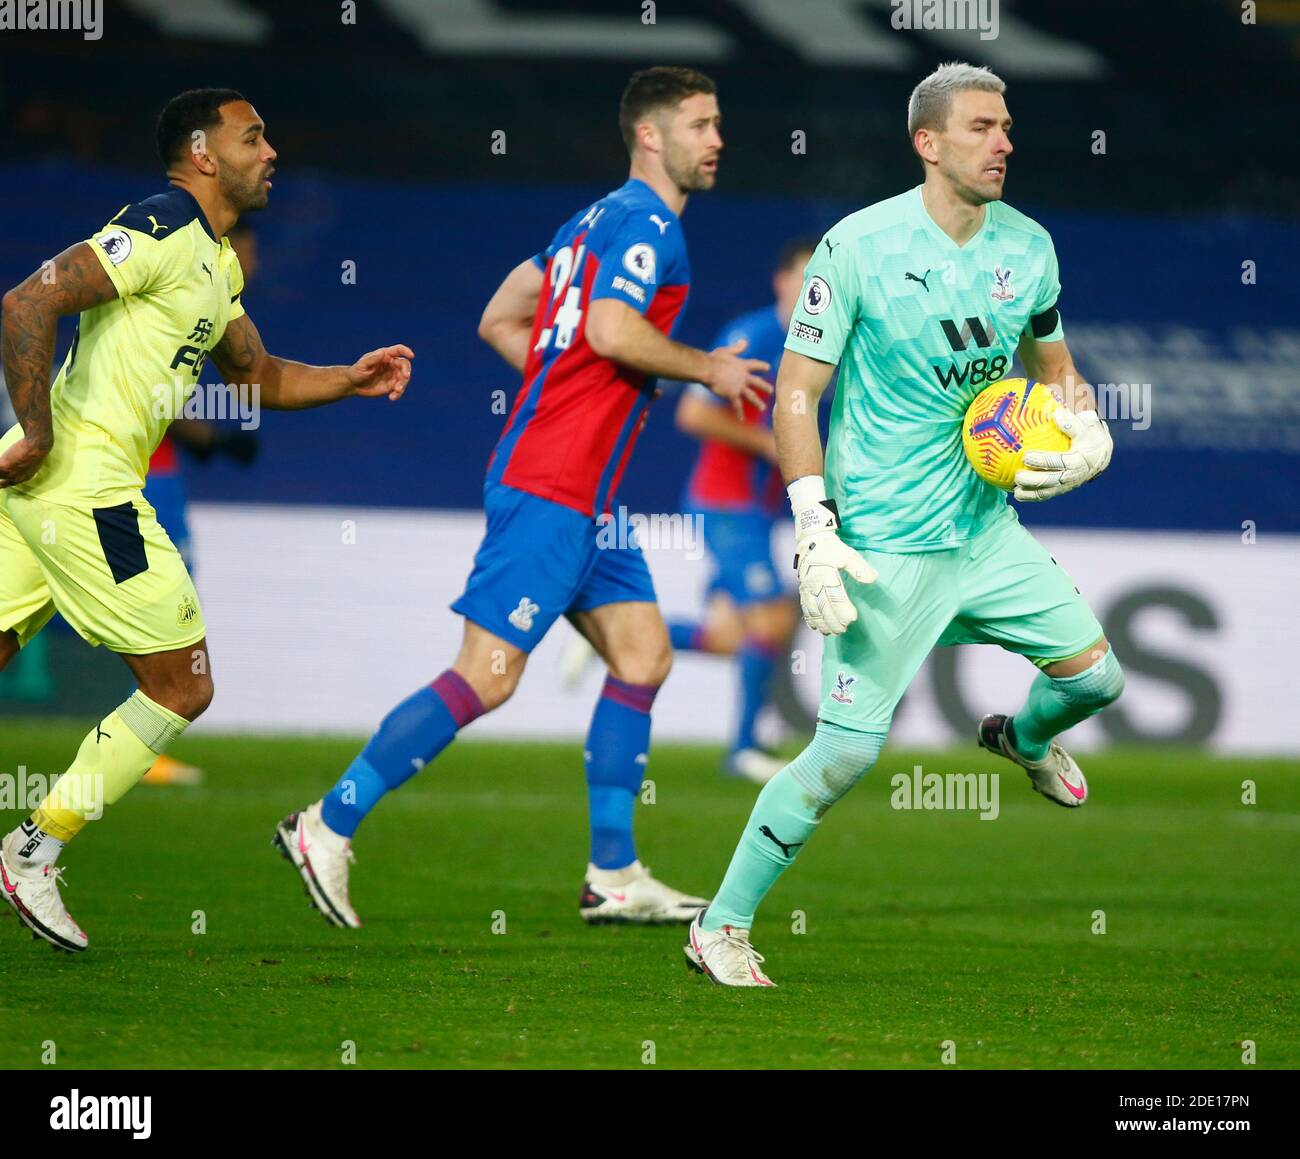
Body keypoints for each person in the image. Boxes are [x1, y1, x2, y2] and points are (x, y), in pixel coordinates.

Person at [277, 66, 771, 930]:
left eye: (719, 123)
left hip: (591, 494)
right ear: (650, 136)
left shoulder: (587, 220)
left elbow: (502, 317)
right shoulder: (653, 225)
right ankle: (326, 821)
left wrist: (565, 388)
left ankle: (613, 874)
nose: (717, 139)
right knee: (489, 677)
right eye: (700, 124)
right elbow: (614, 331)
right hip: (552, 485)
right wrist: (709, 368)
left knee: (646, 655)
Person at [685, 62, 1123, 987]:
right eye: (981, 127)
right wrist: (813, 522)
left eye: (1007, 126)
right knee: (844, 751)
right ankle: (719, 926)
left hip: (985, 530)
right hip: (885, 544)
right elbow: (797, 393)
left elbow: (1057, 367)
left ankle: (1026, 739)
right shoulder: (857, 248)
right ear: (928, 144)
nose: (1003, 142)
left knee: (1099, 679)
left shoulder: (1031, 247)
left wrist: (1085, 430)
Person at [0, 89, 413, 953]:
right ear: (202, 151)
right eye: (253, 136)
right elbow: (26, 301)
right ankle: (31, 850)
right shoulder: (160, 226)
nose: (271, 152)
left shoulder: (216, 263)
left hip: (51, 489)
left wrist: (350, 376)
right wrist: (36, 431)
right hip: (86, 488)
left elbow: (255, 374)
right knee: (182, 686)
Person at [669, 238, 817, 783]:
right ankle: (744, 748)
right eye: (804, 280)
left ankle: (619, 631)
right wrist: (768, 445)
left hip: (756, 510)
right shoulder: (753, 336)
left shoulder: (819, 348)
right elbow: (692, 413)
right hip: (723, 502)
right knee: (774, 616)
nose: (812, 294)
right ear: (781, 282)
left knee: (731, 635)